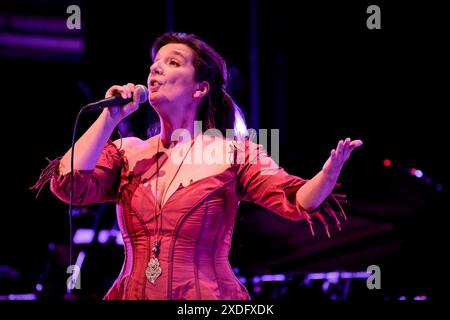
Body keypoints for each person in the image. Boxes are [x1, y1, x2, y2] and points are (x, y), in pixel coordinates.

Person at [32, 32, 363, 300]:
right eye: (155, 63)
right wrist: (110, 117)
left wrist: (327, 174)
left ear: (200, 88)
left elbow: (297, 200)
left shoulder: (232, 153)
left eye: (172, 62)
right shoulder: (128, 152)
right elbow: (68, 183)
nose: (155, 70)